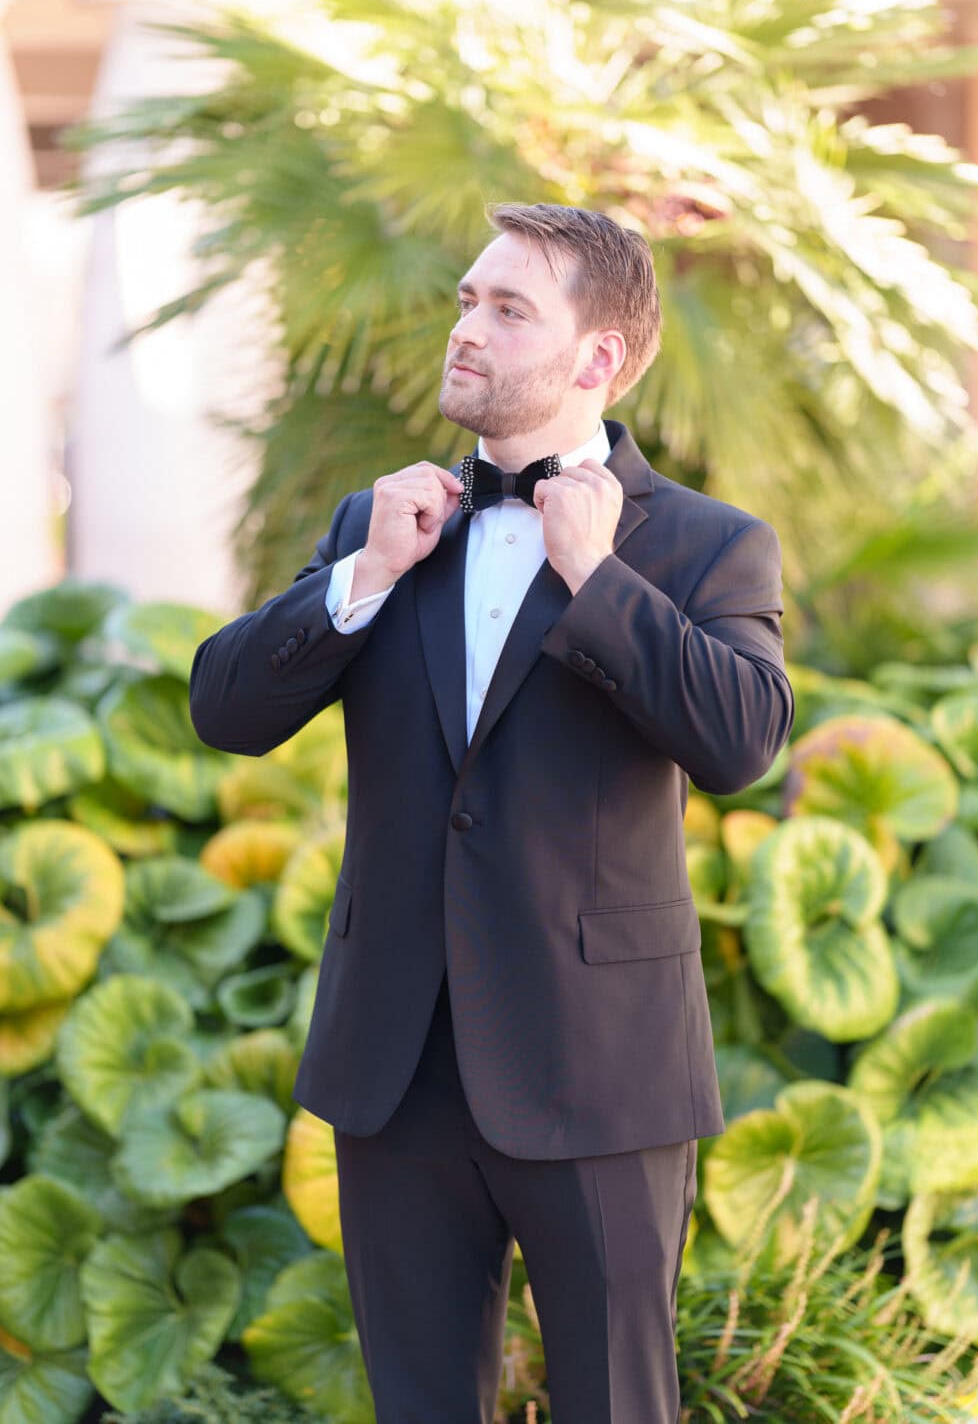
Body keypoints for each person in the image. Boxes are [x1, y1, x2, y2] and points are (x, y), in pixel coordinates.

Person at [189, 201, 795, 1423]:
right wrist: (361, 579)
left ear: (599, 358)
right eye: (468, 299)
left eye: (508, 308)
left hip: (602, 1069)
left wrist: (599, 580)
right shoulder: (386, 523)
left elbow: (741, 742)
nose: (467, 327)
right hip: (396, 1066)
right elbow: (225, 707)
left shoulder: (702, 543)